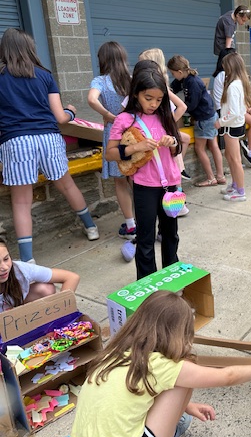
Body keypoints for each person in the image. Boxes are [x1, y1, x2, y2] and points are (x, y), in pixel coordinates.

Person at [69, 290, 251, 437]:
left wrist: (186, 406)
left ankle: (172, 421)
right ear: (178, 334)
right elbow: (227, 376)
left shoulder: (115, 353)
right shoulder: (160, 366)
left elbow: (128, 397)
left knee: (173, 375)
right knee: (185, 369)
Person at [0, 28, 99, 263]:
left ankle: (27, 260)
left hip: (16, 140)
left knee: (22, 201)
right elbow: (60, 118)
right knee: (67, 186)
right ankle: (91, 227)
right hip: (49, 138)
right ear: (29, 48)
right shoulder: (44, 75)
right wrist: (71, 112)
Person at [105, 65, 182, 279]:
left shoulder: (165, 115)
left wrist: (172, 140)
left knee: (170, 234)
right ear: (136, 93)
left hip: (170, 186)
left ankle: (172, 276)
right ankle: (148, 286)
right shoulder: (125, 119)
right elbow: (110, 154)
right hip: (145, 187)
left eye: (158, 99)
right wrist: (135, 148)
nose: (153, 104)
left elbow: (178, 148)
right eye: (148, 98)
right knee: (146, 239)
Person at [88, 41, 136, 240]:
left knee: (120, 180)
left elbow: (91, 100)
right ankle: (148, 219)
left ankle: (131, 225)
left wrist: (108, 115)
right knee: (137, 178)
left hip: (114, 134)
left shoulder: (100, 81)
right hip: (134, 133)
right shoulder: (132, 80)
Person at [167, 55, 225, 187]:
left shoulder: (193, 83)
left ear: (180, 72)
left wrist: (176, 108)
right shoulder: (184, 79)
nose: (172, 76)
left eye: (172, 73)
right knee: (213, 145)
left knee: (200, 148)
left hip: (204, 119)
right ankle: (220, 176)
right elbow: (172, 88)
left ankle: (211, 178)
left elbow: (190, 105)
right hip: (210, 116)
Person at [0, 236, 79, 312]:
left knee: (46, 288)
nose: (5, 267)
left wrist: (62, 308)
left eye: (6, 259)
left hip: (14, 308)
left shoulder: (20, 269)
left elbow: (72, 277)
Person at [218, 52, 251, 202]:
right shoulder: (240, 83)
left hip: (231, 126)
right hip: (234, 125)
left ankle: (240, 191)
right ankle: (235, 184)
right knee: (230, 157)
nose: (224, 69)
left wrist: (221, 121)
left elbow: (234, 112)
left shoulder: (233, 86)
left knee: (235, 159)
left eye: (225, 66)